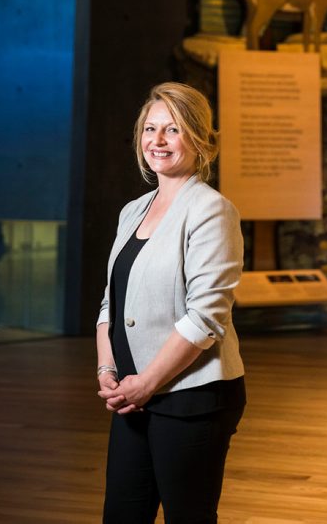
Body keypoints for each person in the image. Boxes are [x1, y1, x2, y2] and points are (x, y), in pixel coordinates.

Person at [96, 82, 246, 524]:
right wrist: (108, 371)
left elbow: (206, 318)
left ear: (199, 140)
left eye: (172, 130)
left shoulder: (211, 210)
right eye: (150, 128)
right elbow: (111, 302)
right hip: (132, 395)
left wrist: (147, 383)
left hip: (191, 397)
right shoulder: (133, 210)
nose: (157, 142)